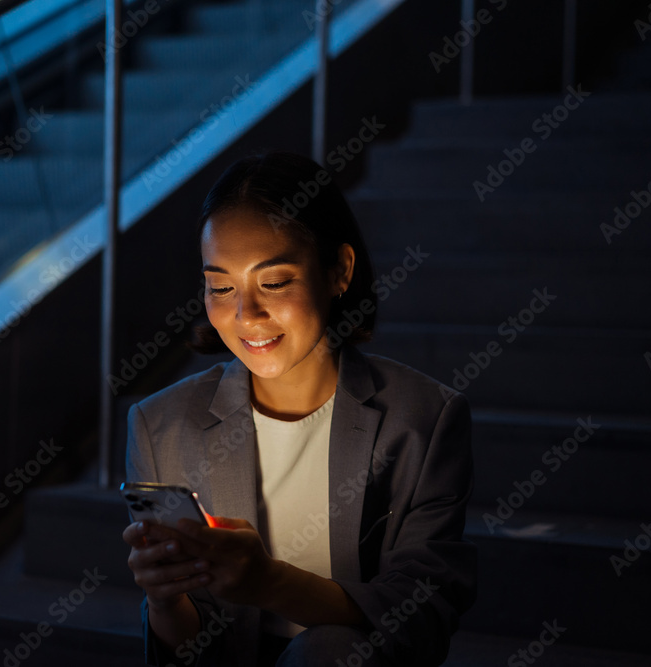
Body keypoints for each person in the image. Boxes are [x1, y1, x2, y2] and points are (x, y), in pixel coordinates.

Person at [123, 151, 476, 667]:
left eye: (275, 282)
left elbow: (419, 616)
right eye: (221, 287)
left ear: (339, 271)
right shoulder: (161, 425)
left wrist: (269, 583)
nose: (246, 314)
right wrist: (164, 598)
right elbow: (186, 652)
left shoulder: (422, 420)